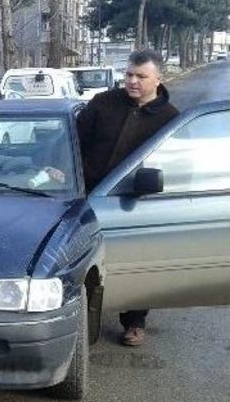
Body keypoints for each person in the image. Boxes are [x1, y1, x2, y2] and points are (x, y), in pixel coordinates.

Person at [77, 48, 179, 347]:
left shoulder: (170, 119)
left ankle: (135, 320)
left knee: (136, 259)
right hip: (88, 194)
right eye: (129, 75)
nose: (132, 81)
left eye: (141, 76)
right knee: (83, 255)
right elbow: (76, 139)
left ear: (158, 79)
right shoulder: (103, 103)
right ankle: (80, 313)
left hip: (135, 200)